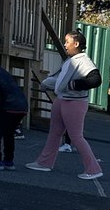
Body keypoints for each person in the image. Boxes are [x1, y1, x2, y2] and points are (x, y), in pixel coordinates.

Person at [26, 29, 103, 179]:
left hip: (75, 103)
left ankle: (94, 169)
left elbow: (96, 79)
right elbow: (62, 81)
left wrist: (75, 85)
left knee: (76, 137)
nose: (65, 45)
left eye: (67, 42)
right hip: (62, 100)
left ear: (77, 43)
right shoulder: (70, 60)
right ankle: (44, 163)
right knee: (54, 133)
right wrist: (49, 83)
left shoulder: (83, 61)